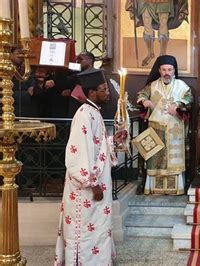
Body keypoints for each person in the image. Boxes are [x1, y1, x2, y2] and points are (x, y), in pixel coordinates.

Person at [54, 68, 121, 265]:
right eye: (104, 89)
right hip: (87, 187)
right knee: (84, 225)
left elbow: (96, 145)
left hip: (97, 181)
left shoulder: (94, 112)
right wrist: (91, 183)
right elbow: (79, 152)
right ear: (92, 93)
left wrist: (112, 141)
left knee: (98, 224)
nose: (107, 92)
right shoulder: (84, 114)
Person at [137, 55, 192, 195]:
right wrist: (145, 101)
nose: (167, 72)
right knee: (156, 158)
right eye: (164, 69)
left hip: (175, 128)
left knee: (173, 159)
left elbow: (188, 99)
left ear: (174, 70)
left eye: (170, 69)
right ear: (159, 70)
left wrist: (179, 105)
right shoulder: (152, 85)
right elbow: (141, 94)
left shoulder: (182, 86)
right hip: (156, 129)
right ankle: (154, 188)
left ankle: (175, 188)